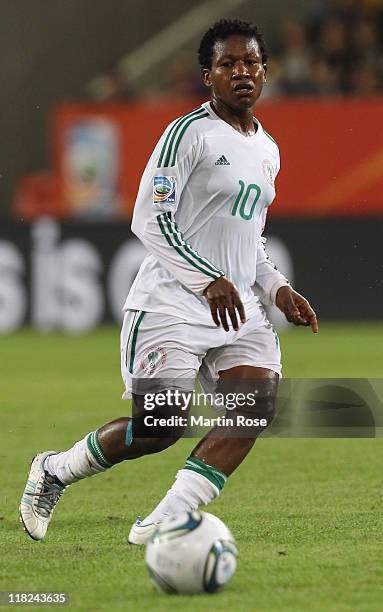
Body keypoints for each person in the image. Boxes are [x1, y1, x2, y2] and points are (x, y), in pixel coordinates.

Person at [20, 19, 318, 544]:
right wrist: (207, 279)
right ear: (208, 75)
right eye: (227, 64)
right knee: (159, 428)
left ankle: (164, 524)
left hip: (237, 309)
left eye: (250, 63)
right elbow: (149, 220)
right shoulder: (187, 135)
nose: (241, 72)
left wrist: (277, 289)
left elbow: (252, 242)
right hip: (171, 304)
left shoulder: (268, 149)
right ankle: (54, 470)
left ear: (265, 72)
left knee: (254, 409)